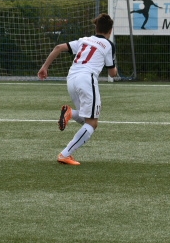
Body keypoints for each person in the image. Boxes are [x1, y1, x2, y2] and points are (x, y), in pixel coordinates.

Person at [37, 13, 119, 166]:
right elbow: (112, 73)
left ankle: (71, 113)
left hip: (71, 79)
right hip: (86, 79)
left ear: (96, 28)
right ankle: (65, 154)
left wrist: (44, 67)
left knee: (86, 119)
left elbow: (58, 47)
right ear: (110, 31)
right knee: (92, 123)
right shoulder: (108, 45)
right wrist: (116, 71)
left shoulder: (84, 40)